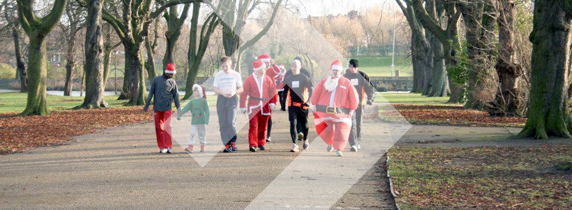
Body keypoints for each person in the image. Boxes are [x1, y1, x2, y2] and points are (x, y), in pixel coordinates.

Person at [311, 60, 359, 157]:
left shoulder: (346, 82)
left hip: (341, 113)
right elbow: (316, 92)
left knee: (341, 132)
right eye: (334, 70)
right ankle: (330, 142)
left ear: (340, 71)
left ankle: (339, 149)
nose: (335, 72)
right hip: (324, 112)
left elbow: (353, 96)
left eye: (337, 70)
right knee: (324, 130)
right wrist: (314, 104)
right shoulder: (324, 81)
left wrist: (352, 109)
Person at [240, 60, 278, 152]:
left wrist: (273, 102)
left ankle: (261, 142)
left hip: (265, 105)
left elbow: (273, 91)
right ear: (258, 69)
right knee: (253, 125)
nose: (265, 69)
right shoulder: (249, 79)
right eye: (263, 68)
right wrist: (242, 106)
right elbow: (243, 93)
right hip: (253, 105)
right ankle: (253, 144)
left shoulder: (267, 78)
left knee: (263, 125)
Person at [143, 63, 181, 154]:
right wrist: (146, 105)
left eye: (173, 74)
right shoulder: (156, 80)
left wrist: (178, 108)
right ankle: (162, 147)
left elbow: (176, 96)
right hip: (157, 108)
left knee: (168, 126)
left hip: (167, 107)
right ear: (166, 72)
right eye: (170, 74)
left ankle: (168, 146)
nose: (172, 75)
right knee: (158, 127)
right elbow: (151, 93)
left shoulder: (172, 82)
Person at [213, 56, 243, 153]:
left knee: (231, 122)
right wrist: (222, 93)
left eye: (226, 65)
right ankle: (227, 145)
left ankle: (233, 143)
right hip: (222, 99)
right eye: (222, 66)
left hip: (232, 99)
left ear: (230, 64)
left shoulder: (236, 74)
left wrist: (235, 92)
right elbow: (215, 88)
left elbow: (241, 88)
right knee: (223, 123)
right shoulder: (219, 75)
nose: (224, 68)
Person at [344, 59, 375, 152]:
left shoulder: (362, 76)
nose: (352, 69)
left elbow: (370, 88)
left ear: (357, 67)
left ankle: (358, 140)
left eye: (354, 67)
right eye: (350, 67)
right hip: (348, 104)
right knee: (351, 123)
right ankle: (353, 143)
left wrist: (370, 98)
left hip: (360, 103)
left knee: (358, 123)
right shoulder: (345, 77)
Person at [282, 59, 313, 152]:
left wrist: (309, 100)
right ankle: (294, 145)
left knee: (305, 124)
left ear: (299, 67)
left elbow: (311, 89)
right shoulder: (288, 78)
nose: (293, 68)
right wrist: (283, 104)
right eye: (292, 66)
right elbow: (285, 92)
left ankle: (306, 140)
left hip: (303, 105)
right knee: (293, 123)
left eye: (295, 66)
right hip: (292, 105)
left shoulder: (304, 77)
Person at [177, 84, 210, 153]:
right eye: (194, 91)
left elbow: (207, 111)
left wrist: (207, 119)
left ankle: (202, 146)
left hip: (202, 121)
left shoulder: (203, 101)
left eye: (197, 91)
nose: (195, 93)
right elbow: (185, 109)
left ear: (200, 92)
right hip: (194, 121)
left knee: (202, 133)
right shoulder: (191, 102)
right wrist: (179, 114)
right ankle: (190, 147)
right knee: (192, 133)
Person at [257, 54, 281, 142]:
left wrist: (273, 64)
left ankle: (268, 135)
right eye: (265, 63)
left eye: (268, 63)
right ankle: (260, 134)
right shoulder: (258, 71)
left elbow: (278, 72)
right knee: (259, 116)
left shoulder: (271, 70)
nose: (267, 65)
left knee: (268, 116)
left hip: (270, 96)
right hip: (260, 97)